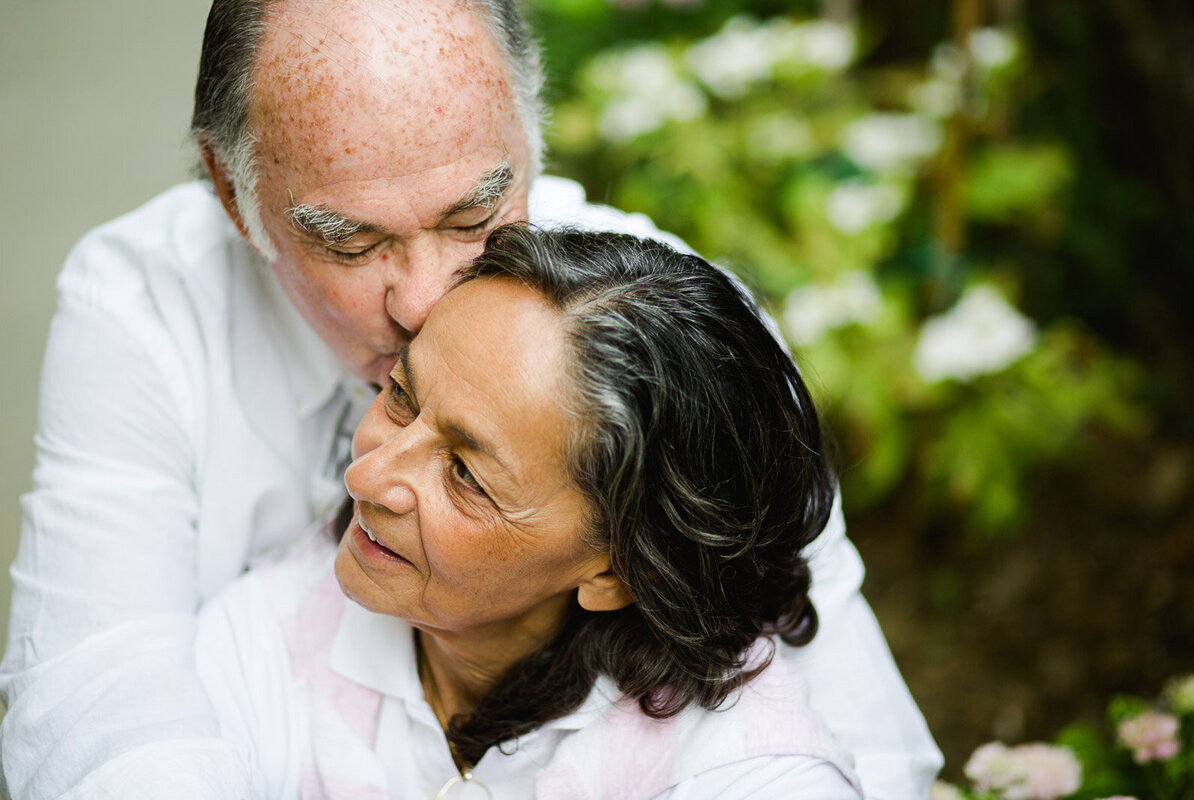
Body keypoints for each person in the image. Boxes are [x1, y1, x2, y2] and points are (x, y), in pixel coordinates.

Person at [0, 1, 940, 798]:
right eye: (353, 243)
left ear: (531, 140)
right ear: (229, 192)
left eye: (472, 220)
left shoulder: (669, 334)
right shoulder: (146, 305)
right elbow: (98, 686)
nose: (426, 301)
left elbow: (851, 711)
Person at [195, 224, 863, 799]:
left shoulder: (747, 775)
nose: (366, 474)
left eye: (465, 474)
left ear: (618, 573)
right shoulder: (263, 637)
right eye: (401, 394)